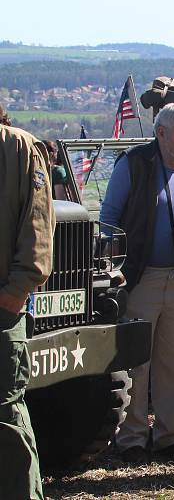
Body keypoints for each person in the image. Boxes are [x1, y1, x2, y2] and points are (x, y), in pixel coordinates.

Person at [100, 102, 174, 464]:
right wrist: (117, 270)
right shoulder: (133, 165)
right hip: (142, 278)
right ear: (161, 132)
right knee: (138, 363)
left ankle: (169, 434)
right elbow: (109, 220)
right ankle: (133, 438)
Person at [1, 104, 54, 500]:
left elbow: (37, 228)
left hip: (2, 309)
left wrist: (16, 291)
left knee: (5, 417)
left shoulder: (18, 148)